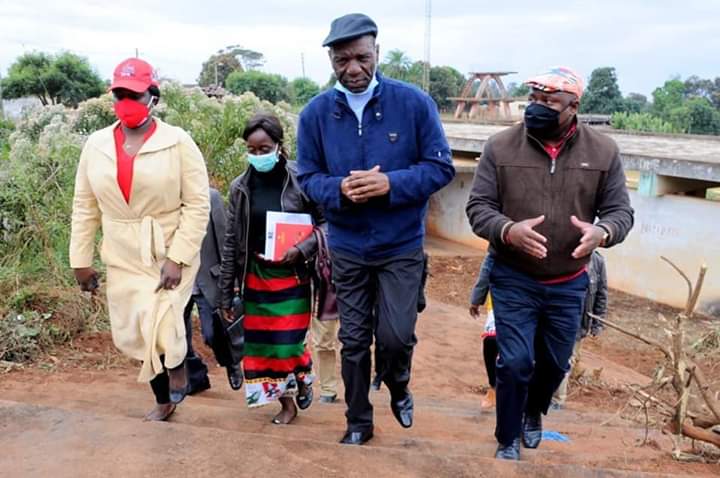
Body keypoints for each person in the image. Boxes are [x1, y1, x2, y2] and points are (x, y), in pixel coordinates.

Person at [297, 13, 455, 445]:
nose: (353, 69)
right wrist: (338, 190)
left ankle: (399, 384)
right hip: (347, 245)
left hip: (401, 244)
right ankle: (358, 420)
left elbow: (440, 168)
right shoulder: (315, 115)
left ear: (377, 53)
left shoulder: (414, 103)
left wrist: (391, 183)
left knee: (395, 335)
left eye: (362, 57)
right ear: (331, 59)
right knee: (352, 340)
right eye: (342, 59)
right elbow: (307, 178)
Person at [465, 66, 634, 460]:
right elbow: (478, 208)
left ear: (574, 107)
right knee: (515, 361)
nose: (538, 108)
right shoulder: (500, 147)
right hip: (514, 276)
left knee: (556, 363)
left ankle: (533, 412)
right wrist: (508, 230)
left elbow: (620, 212)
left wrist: (603, 233)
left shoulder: (603, 152)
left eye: (550, 102)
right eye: (534, 100)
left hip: (569, 280)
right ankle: (507, 437)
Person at [70, 58, 210, 421]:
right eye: (119, 94)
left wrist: (178, 257)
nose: (125, 101)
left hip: (168, 243)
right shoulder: (96, 145)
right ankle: (164, 394)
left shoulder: (178, 143)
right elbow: (85, 206)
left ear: (153, 98)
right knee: (136, 326)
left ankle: (178, 365)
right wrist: (80, 261)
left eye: (134, 94)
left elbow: (197, 205)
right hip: (122, 249)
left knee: (162, 317)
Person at [219, 113, 325, 425]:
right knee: (264, 346)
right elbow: (230, 241)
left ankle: (302, 372)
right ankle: (287, 403)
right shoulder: (240, 187)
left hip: (292, 277)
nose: (257, 155)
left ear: (279, 145)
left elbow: (326, 224)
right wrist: (225, 293)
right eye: (251, 150)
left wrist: (301, 249)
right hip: (256, 276)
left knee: (287, 343)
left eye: (264, 149)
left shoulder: (301, 179)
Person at [183, 187, 244, 394]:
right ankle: (194, 377)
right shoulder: (162, 199)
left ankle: (231, 362)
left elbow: (225, 238)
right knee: (177, 336)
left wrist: (232, 281)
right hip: (176, 281)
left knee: (212, 333)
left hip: (207, 279)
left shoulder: (210, 197)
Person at [551, 250, 608, 408]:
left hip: (577, 323)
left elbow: (602, 293)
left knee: (566, 360)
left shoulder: (597, 261)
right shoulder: (560, 251)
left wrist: (597, 323)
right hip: (554, 317)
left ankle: (557, 400)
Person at [469, 252, 497, 409]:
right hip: (501, 298)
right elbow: (488, 266)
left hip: (531, 301)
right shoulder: (501, 237)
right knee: (491, 341)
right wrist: (477, 299)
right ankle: (493, 387)